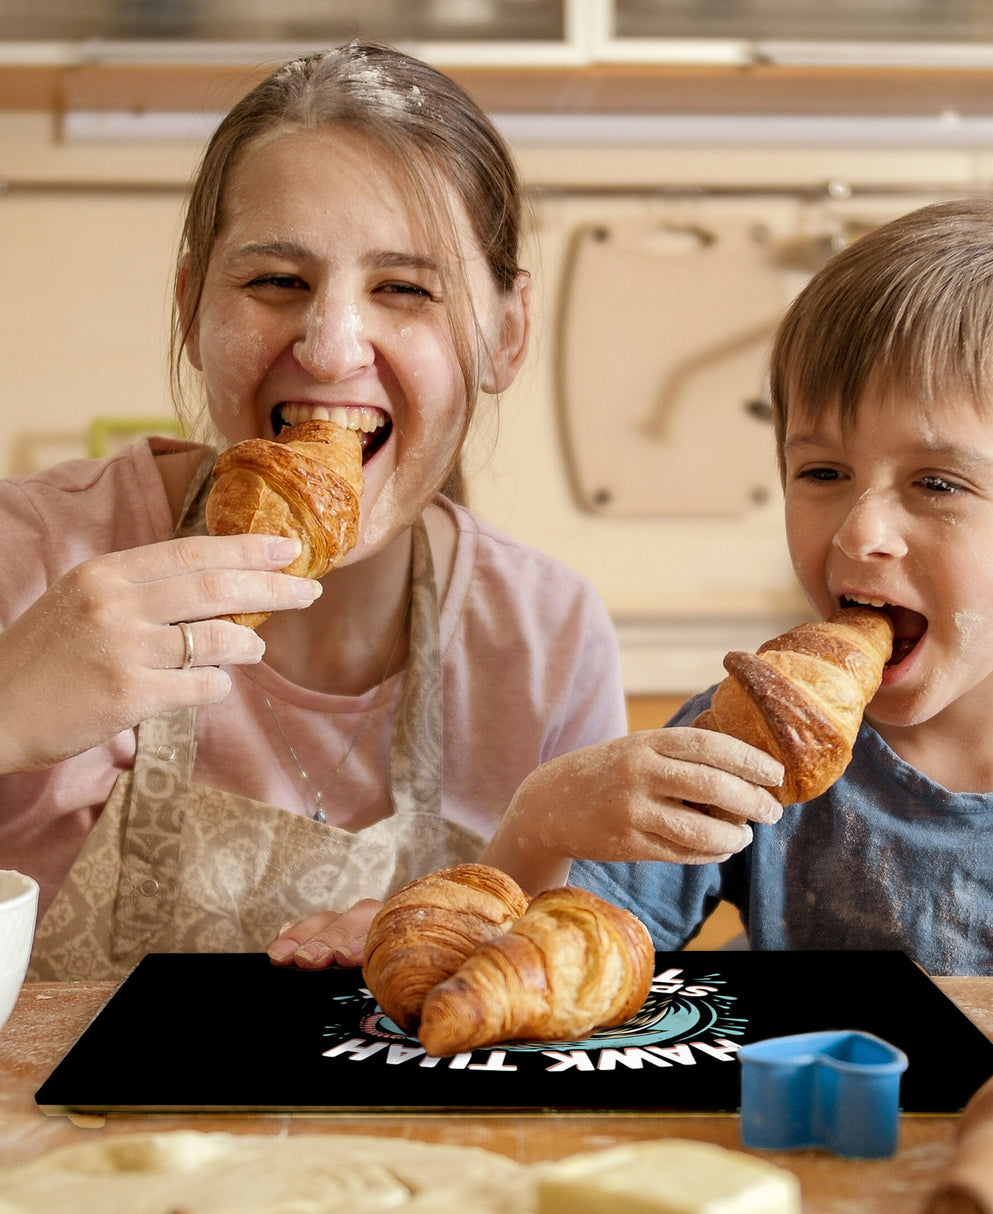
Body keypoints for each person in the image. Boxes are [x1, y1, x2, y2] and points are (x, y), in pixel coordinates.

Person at [1, 40, 630, 981]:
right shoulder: (35, 557)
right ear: (190, 309)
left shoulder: (545, 638)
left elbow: (584, 985)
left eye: (405, 289)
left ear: (507, 334)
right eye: (275, 282)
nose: (333, 347)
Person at [487, 196, 993, 998]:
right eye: (824, 473)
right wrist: (539, 819)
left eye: (937, 482)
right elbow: (549, 971)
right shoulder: (747, 741)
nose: (859, 531)